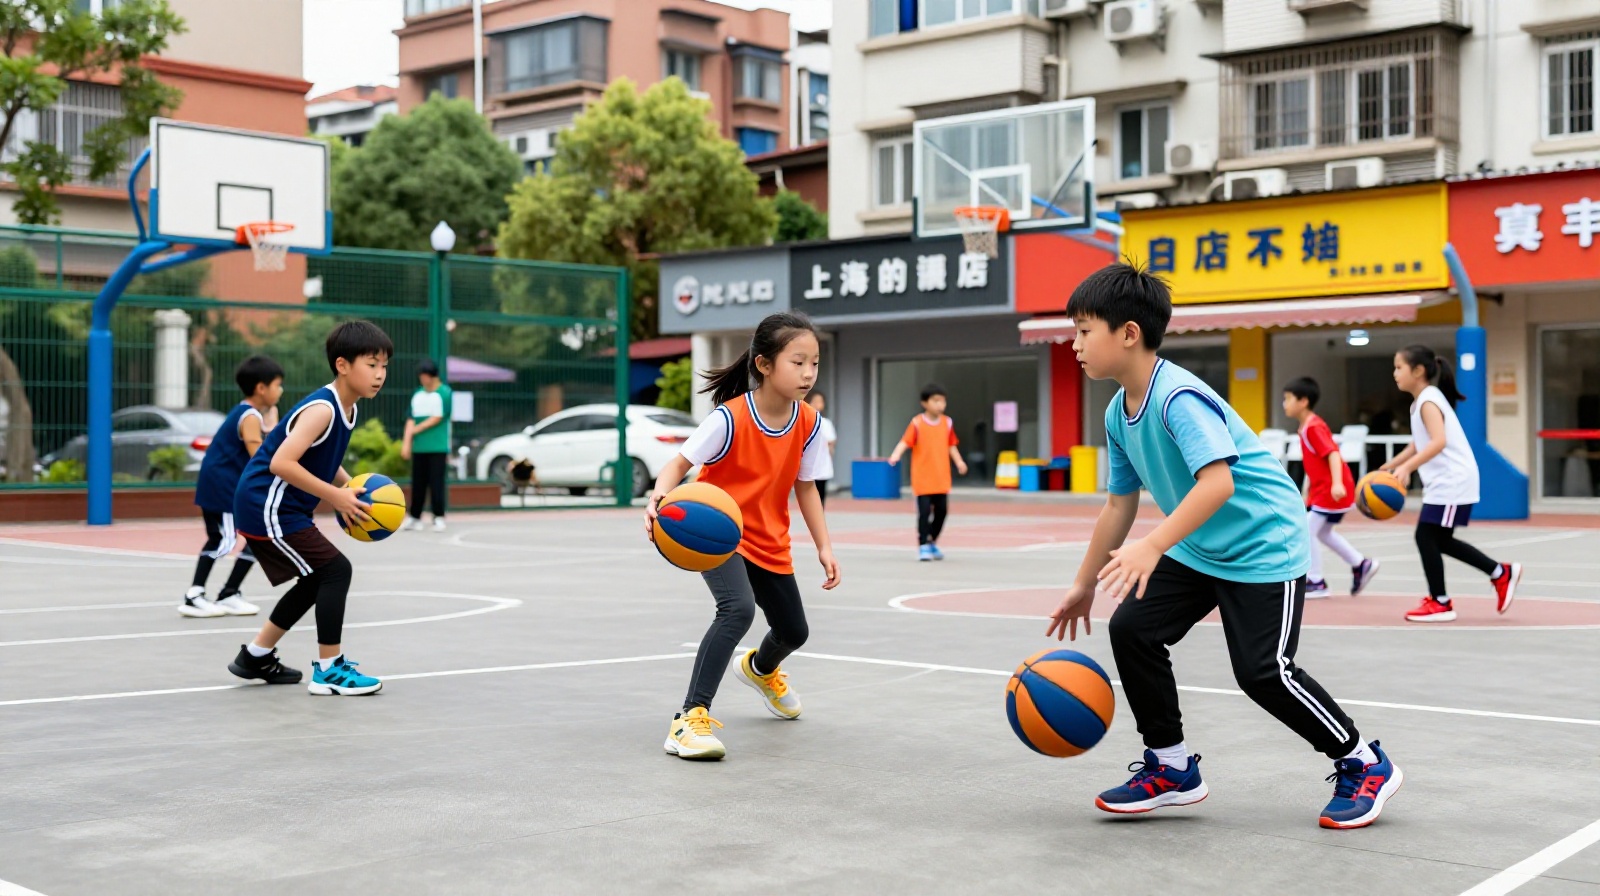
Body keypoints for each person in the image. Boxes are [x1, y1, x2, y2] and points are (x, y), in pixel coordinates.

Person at [1046, 263, 1401, 830]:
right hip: (1202, 546)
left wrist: (1154, 545)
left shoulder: (1177, 398)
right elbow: (1119, 504)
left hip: (1265, 543)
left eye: (1085, 330)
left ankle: (1363, 761)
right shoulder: (1118, 412)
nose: (1075, 343)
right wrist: (1084, 584)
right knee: (1133, 629)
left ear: (1129, 333)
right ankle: (1171, 766)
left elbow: (1219, 483)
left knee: (1263, 672)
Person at [645, 312, 839, 761]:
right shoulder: (729, 418)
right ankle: (689, 719)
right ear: (765, 365)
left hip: (770, 537)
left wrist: (825, 546)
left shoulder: (808, 423)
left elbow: (805, 486)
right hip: (718, 534)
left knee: (794, 630)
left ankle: (759, 669)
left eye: (814, 363)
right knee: (737, 609)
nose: (809, 373)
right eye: (798, 362)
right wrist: (658, 496)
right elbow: (678, 465)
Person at [227, 321, 393, 696]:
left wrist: (350, 486)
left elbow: (322, 458)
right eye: (372, 364)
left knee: (317, 578)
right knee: (336, 571)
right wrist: (336, 498)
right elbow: (281, 463)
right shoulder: (323, 409)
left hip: (279, 506)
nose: (380, 374)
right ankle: (330, 670)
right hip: (265, 504)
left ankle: (255, 655)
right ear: (342, 365)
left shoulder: (347, 409)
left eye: (384, 366)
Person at [1380, 345, 1522, 623]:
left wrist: (1408, 467)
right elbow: (1418, 442)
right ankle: (1499, 573)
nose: (1394, 373)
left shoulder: (1428, 400)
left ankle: (1441, 602)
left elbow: (1438, 441)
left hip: (1452, 481)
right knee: (1439, 539)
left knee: (1426, 537)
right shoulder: (1422, 400)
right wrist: (1394, 464)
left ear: (1418, 371)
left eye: (1399, 367)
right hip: (1450, 480)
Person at [181, 355, 283, 618]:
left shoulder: (248, 413)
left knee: (258, 537)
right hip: (222, 488)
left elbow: (260, 441)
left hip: (224, 487)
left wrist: (270, 426)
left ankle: (229, 593)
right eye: (277, 385)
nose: (280, 391)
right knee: (223, 539)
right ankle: (194, 596)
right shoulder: (248, 415)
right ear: (262, 388)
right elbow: (257, 453)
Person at [1281, 377, 1379, 598]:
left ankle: (1316, 581)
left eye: (1287, 399)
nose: (1284, 404)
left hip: (1332, 489)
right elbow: (1314, 462)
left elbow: (1333, 454)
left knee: (1307, 530)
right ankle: (1360, 564)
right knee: (1323, 532)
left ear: (1303, 401)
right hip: (1322, 489)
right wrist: (1310, 489)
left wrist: (1335, 483)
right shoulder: (1306, 427)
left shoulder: (1314, 427)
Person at [886, 384, 967, 561]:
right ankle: (923, 544)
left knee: (942, 512)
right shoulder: (917, 423)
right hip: (923, 478)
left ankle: (932, 541)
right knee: (923, 512)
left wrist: (959, 461)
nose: (940, 405)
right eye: (936, 401)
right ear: (925, 403)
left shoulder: (947, 423)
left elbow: (951, 445)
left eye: (943, 401)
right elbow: (905, 442)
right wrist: (895, 455)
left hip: (941, 477)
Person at [402, 359, 452, 531]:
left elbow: (439, 416)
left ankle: (438, 516)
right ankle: (414, 517)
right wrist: (407, 443)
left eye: (425, 376)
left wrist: (417, 429)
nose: (423, 379)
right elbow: (410, 418)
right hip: (420, 448)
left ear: (433, 376)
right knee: (418, 483)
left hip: (437, 447)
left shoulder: (445, 393)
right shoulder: (417, 394)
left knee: (436, 483)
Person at [806, 390, 837, 507]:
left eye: (820, 402)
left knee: (820, 493)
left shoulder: (825, 423)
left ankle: (818, 516)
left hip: (821, 464)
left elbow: (831, 442)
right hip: (807, 464)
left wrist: (829, 455)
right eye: (814, 401)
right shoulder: (803, 421)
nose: (817, 404)